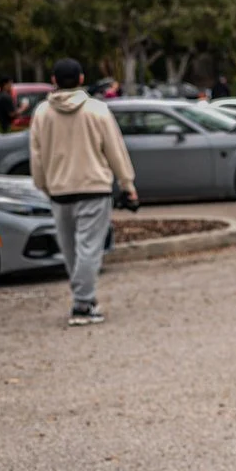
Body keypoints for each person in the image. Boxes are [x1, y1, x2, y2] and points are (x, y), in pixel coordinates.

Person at [27, 58, 135, 328]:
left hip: (59, 190)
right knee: (89, 247)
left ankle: (83, 297)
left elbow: (36, 155)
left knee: (70, 248)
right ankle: (83, 302)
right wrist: (127, 184)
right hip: (93, 187)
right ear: (82, 79)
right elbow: (114, 149)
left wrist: (42, 184)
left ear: (53, 80)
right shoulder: (97, 110)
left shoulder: (41, 113)